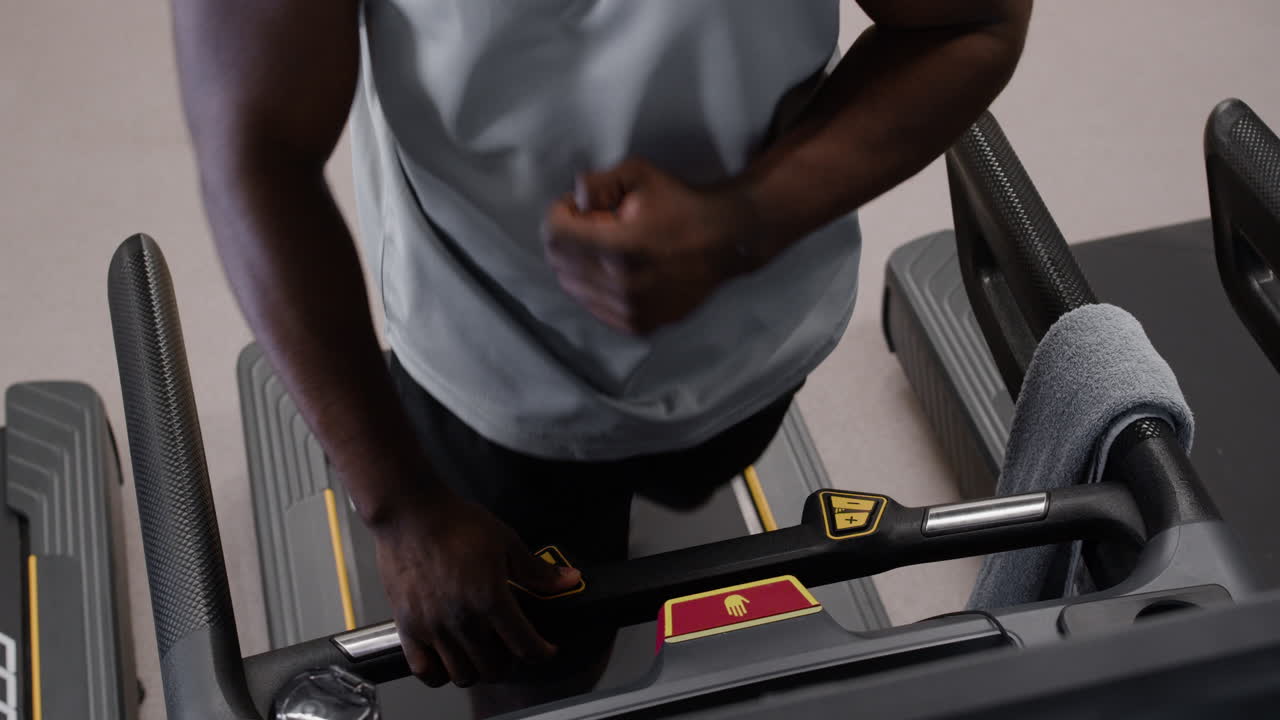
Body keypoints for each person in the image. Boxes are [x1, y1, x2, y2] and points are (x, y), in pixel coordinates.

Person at [171, 0, 1032, 715]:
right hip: (494, 372)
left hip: (762, 325)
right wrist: (401, 509)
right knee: (537, 662)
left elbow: (971, 19)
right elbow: (257, 149)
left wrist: (745, 220)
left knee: (692, 478)